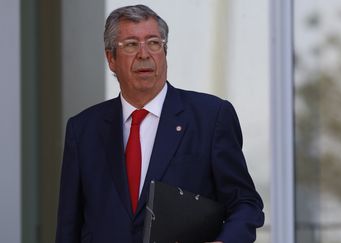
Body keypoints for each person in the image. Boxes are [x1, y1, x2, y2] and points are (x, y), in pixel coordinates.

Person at [55, 4, 264, 243]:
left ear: (164, 51)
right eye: (132, 44)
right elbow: (68, 226)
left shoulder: (211, 117)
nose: (144, 54)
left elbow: (245, 204)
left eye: (154, 42)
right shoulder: (83, 129)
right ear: (111, 58)